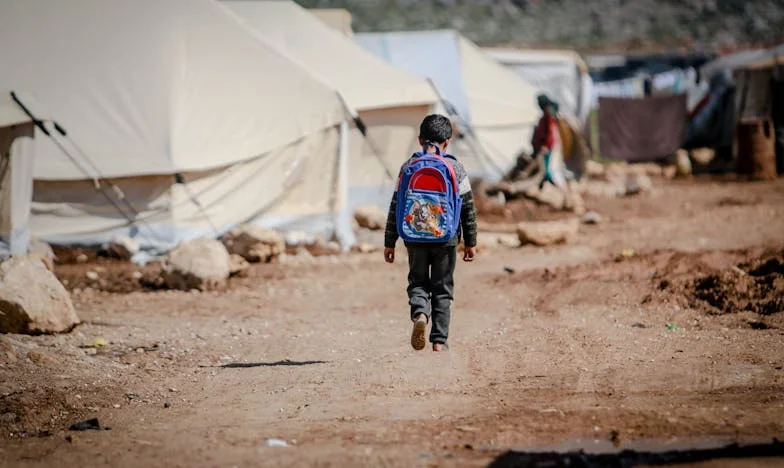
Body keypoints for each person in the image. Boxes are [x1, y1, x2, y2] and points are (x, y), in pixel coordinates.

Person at [383, 114, 478, 352]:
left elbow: (396, 205)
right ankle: (439, 341)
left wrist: (390, 242)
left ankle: (420, 316)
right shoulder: (455, 168)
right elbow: (468, 207)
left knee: (417, 282)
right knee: (442, 287)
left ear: (419, 140)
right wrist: (470, 242)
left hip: (413, 236)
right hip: (447, 238)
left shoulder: (407, 168)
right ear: (448, 141)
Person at [531, 94, 582, 211]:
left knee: (550, 172)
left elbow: (550, 132)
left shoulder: (549, 114)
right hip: (549, 147)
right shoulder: (547, 113)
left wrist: (545, 146)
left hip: (550, 148)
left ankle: (564, 195)